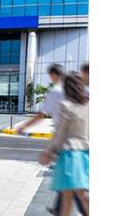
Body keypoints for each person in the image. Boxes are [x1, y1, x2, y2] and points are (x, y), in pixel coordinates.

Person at [38, 72, 89, 216]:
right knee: (70, 197)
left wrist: (49, 152)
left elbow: (60, 132)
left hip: (70, 156)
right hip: (85, 155)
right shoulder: (88, 106)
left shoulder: (66, 105)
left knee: (78, 196)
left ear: (67, 88)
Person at [16, 64, 64, 134]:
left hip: (62, 133)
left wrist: (23, 127)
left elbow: (41, 115)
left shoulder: (55, 92)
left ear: (53, 75)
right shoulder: (71, 89)